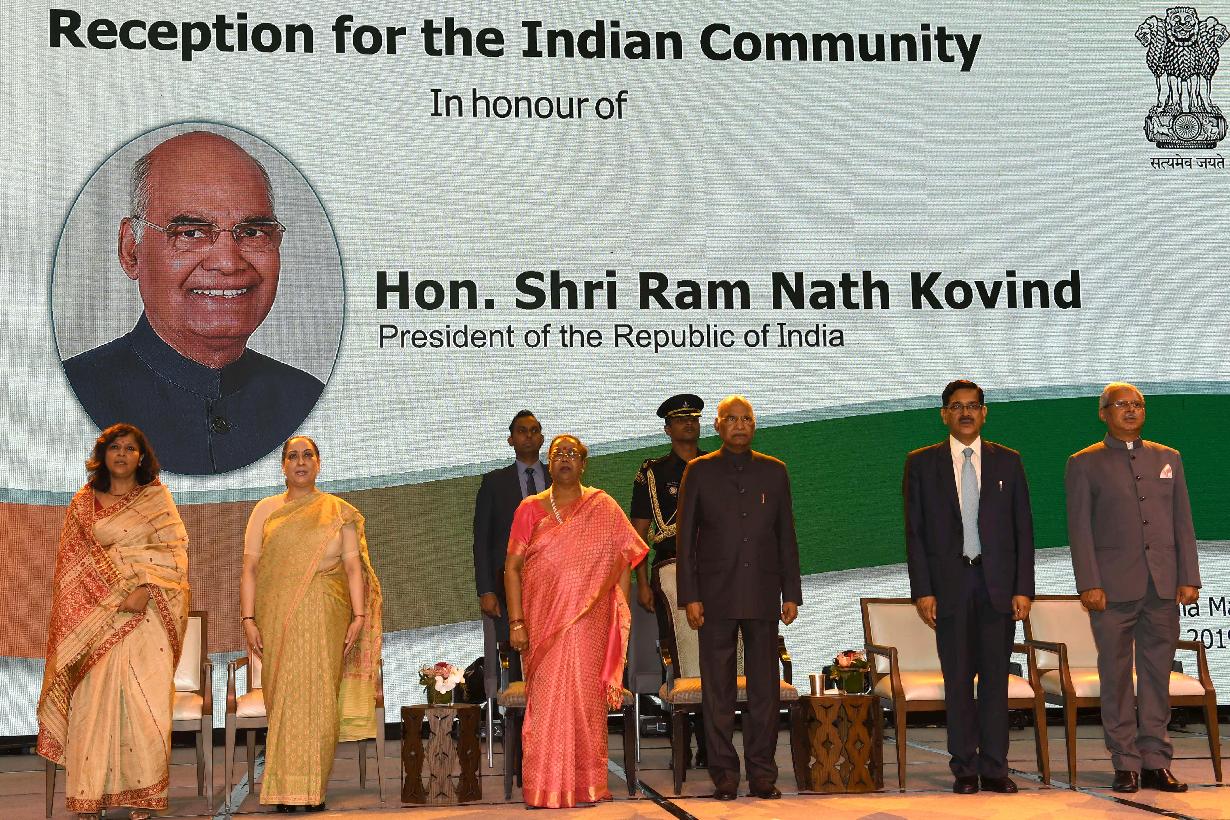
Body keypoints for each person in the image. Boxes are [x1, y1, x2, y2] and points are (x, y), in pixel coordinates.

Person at [63, 131, 324, 475]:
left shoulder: (308, 400)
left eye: (251, 232)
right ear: (131, 251)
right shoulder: (63, 396)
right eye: (191, 233)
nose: (228, 263)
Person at [37, 423, 190, 819]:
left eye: (130, 448)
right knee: (92, 708)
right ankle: (90, 795)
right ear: (103, 455)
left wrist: (146, 587)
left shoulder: (156, 499)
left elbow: (175, 554)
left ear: (142, 457)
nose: (122, 454)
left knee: (143, 705)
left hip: (147, 615)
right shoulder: (83, 503)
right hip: (95, 619)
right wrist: (107, 599)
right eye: (115, 447)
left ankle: (142, 795)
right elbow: (71, 567)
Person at [1065, 383, 1201, 794]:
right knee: (1116, 676)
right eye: (1121, 404)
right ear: (1103, 413)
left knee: (1158, 675)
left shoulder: (1168, 458)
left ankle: (1156, 761)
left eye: (1137, 404)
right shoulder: (1084, 463)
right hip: (1111, 589)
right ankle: (1125, 762)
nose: (1130, 410)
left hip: (1163, 587)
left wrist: (1188, 577)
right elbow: (1080, 530)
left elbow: (1183, 522)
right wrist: (1089, 583)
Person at [903, 379, 1035, 795]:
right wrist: (923, 590)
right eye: (957, 406)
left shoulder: (1008, 461)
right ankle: (964, 768)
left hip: (998, 586)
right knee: (958, 681)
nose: (965, 413)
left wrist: (1023, 588)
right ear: (944, 414)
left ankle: (995, 767)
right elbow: (915, 533)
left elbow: (1023, 529)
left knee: (995, 681)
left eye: (973, 406)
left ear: (984, 413)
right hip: (949, 586)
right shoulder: (921, 463)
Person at [240, 436, 383, 811]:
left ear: (318, 463)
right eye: (293, 456)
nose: (300, 462)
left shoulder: (338, 511)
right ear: (283, 466)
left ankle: (310, 790)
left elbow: (352, 566)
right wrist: (248, 618)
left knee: (318, 700)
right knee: (284, 698)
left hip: (325, 612)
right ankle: (284, 790)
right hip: (276, 615)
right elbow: (251, 567)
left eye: (308, 455)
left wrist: (359, 615)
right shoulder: (265, 510)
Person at [504, 434, 648, 808]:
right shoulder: (529, 509)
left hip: (591, 627)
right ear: (549, 464)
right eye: (558, 453)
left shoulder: (603, 507)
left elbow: (624, 559)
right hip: (542, 625)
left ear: (583, 464)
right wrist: (516, 622)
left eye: (572, 453)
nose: (565, 458)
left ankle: (587, 785)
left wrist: (617, 611)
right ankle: (544, 787)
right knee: (546, 705)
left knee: (586, 706)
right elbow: (512, 567)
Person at [676, 395, 802, 801]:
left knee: (765, 690)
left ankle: (763, 773)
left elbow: (786, 536)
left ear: (754, 424)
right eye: (731, 419)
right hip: (714, 596)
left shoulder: (775, 471)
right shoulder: (698, 471)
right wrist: (691, 596)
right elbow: (685, 540)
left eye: (746, 418)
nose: (739, 425)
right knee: (719, 692)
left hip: (763, 593)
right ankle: (725, 774)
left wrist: (791, 592)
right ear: (717, 425)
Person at [630, 393, 708, 764]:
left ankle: (711, 740)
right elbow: (639, 533)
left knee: (716, 653)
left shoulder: (716, 464)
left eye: (693, 418)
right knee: (678, 653)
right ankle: (682, 739)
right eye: (680, 420)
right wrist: (642, 583)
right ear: (667, 429)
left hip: (717, 571)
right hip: (670, 570)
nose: (688, 424)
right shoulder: (654, 472)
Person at [472, 410, 548, 681]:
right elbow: (482, 540)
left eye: (534, 431)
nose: (528, 436)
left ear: (542, 439)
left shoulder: (559, 479)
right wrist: (486, 590)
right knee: (515, 658)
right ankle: (517, 706)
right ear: (510, 440)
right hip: (507, 585)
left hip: (553, 582)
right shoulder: (494, 482)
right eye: (521, 431)